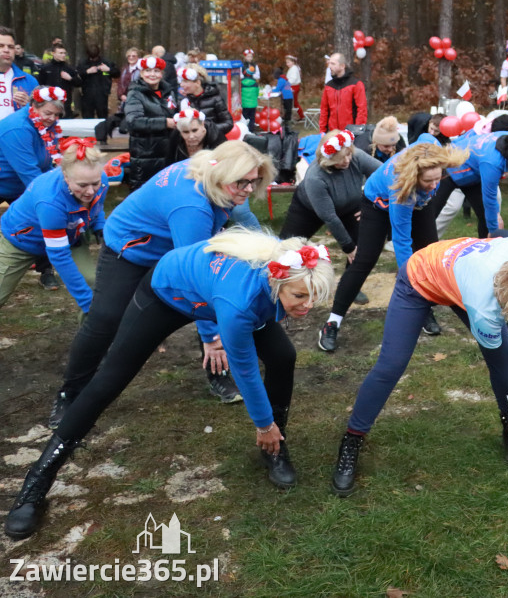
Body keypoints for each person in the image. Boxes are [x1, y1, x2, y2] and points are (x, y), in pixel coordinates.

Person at [3, 228, 334, 540]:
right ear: (277, 279)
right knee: (109, 381)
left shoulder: (279, 274)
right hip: (166, 294)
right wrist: (263, 424)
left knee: (283, 356)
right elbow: (244, 370)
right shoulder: (240, 304)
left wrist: (270, 428)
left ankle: (274, 449)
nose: (307, 305)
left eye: (314, 297)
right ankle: (36, 483)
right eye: (300, 296)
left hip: (215, 295)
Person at [46, 140, 276, 429]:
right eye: (242, 182)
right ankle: (70, 393)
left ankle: (217, 375)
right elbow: (195, 276)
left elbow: (238, 221)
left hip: (169, 243)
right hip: (130, 249)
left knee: (214, 302)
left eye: (253, 183)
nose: (248, 190)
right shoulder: (192, 207)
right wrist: (212, 340)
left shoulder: (217, 178)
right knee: (105, 319)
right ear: (223, 174)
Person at [330, 236, 508, 496]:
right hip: (420, 278)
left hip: (461, 274)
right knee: (390, 366)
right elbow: (499, 366)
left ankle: (507, 422)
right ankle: (352, 439)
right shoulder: (483, 307)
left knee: (503, 353)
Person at [316, 139, 469, 352]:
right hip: (377, 204)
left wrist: (429, 183)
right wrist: (409, 278)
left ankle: (424, 309)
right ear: (415, 176)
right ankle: (333, 322)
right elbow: (402, 240)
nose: (435, 186)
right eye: (429, 181)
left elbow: (426, 137)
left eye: (438, 179)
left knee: (428, 252)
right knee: (365, 260)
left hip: (419, 201)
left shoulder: (430, 150)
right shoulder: (402, 192)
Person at [0, 138, 106, 312]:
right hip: (22, 239)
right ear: (65, 176)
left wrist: (99, 223)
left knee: (91, 284)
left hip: (70, 233)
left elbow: (96, 204)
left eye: (95, 183)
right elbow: (59, 255)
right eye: (82, 185)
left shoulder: (101, 180)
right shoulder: (50, 202)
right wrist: (86, 303)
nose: (90, 191)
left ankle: (93, 336)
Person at [279, 131, 381, 308]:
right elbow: (330, 217)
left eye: (348, 154)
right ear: (329, 159)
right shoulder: (315, 177)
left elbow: (384, 173)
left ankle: (350, 286)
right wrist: (347, 247)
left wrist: (371, 203)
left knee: (361, 248)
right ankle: (280, 283)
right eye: (341, 159)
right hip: (307, 209)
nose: (347, 161)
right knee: (286, 246)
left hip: (350, 206)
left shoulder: (355, 156)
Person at [430, 120, 508, 239]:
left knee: (485, 216)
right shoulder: (492, 162)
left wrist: (493, 222)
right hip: (451, 168)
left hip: (472, 175)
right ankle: (419, 247)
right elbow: (490, 199)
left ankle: (484, 248)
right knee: (430, 213)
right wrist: (494, 231)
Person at [0, 86, 64, 203]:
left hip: (21, 187)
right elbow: (28, 171)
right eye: (48, 113)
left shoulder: (48, 124)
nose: (52, 118)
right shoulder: (18, 129)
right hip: (7, 184)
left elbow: (47, 163)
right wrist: (52, 197)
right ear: (33, 106)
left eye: (56, 114)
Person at [124, 55, 179, 190]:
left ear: (161, 74)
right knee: (146, 191)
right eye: (148, 71)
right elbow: (133, 122)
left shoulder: (168, 92)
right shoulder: (135, 94)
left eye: (156, 71)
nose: (152, 74)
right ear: (142, 73)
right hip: (145, 155)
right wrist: (164, 123)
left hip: (169, 151)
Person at [178, 64, 232, 143]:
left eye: (185, 81)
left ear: (197, 83)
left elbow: (228, 123)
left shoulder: (215, 99)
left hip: (213, 143)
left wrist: (207, 130)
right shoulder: (183, 101)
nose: (181, 85)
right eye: (181, 81)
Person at [319, 52, 367, 133]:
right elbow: (324, 110)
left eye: (333, 64)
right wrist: (322, 132)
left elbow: (362, 110)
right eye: (329, 63)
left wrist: (357, 131)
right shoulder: (328, 86)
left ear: (342, 66)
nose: (330, 66)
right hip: (332, 133)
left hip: (351, 133)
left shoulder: (356, 84)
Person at [0, 26, 40, 121]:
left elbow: (41, 116)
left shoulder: (29, 81)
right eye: (1, 46)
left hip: (15, 134)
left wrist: (29, 106)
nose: (6, 50)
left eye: (10, 47)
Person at [76, 44, 115, 120]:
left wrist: (108, 70)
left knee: (103, 117)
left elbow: (117, 74)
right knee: (87, 118)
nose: (93, 60)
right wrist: (87, 72)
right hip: (87, 94)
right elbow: (77, 77)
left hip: (102, 94)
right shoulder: (83, 63)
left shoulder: (106, 62)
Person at [36, 43, 80, 110]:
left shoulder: (69, 68)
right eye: (60, 53)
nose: (63, 55)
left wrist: (70, 78)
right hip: (49, 103)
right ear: (53, 53)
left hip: (65, 104)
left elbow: (79, 83)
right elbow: (40, 85)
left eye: (64, 53)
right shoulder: (46, 68)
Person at [285, 54, 303, 121]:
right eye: (287, 62)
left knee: (294, 102)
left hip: (294, 86)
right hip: (291, 86)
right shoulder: (292, 68)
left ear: (293, 62)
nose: (287, 64)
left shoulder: (294, 69)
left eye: (289, 62)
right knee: (293, 102)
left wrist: (287, 83)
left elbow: (293, 79)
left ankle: (301, 115)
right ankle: (293, 115)